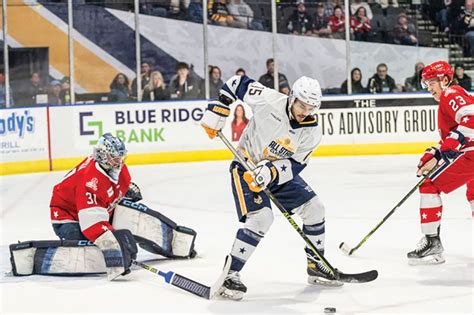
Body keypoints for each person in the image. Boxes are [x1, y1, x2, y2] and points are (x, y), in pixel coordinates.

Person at [200, 74, 340, 301]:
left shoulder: (312, 131)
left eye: (311, 107)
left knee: (316, 209)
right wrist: (220, 107)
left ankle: (316, 265)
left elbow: (297, 164)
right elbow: (236, 83)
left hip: (276, 174)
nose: (305, 111)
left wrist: (272, 172)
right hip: (246, 165)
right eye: (302, 105)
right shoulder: (268, 99)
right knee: (262, 218)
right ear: (292, 97)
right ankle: (231, 274)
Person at [42, 133, 197, 280]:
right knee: (90, 247)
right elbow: (92, 224)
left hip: (98, 208)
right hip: (68, 218)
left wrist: (124, 189)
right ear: (102, 156)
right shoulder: (90, 182)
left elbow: (110, 189)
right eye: (114, 158)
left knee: (132, 216)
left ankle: (176, 244)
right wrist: (115, 246)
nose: (119, 161)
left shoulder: (114, 167)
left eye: (120, 157)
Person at [410, 60, 474, 265]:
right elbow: (455, 134)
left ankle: (432, 244)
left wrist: (449, 147)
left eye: (431, 82)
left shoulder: (450, 93)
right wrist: (435, 153)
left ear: (444, 80)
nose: (428, 88)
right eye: (425, 84)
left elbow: (472, 119)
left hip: (471, 155)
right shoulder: (450, 98)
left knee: (428, 185)